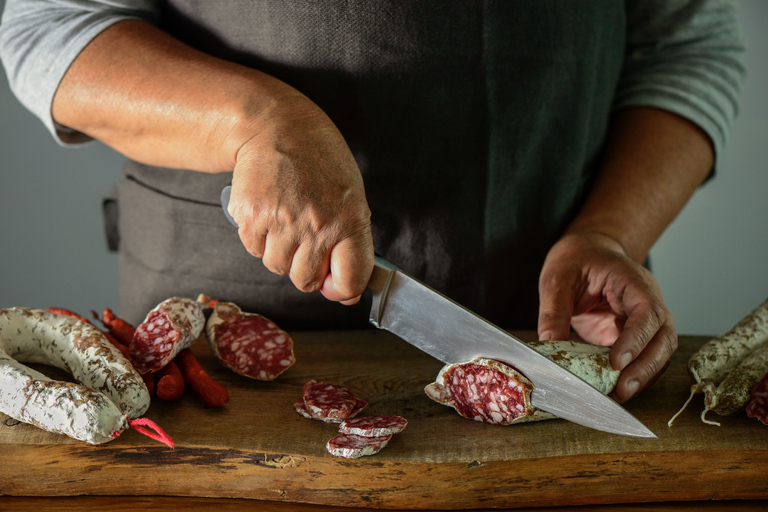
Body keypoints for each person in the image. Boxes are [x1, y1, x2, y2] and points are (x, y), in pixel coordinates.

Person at [0, 1, 746, 404]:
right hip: (221, 356)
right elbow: (45, 27)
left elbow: (689, 47)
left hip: (555, 326)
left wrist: (613, 231)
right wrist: (259, 120)